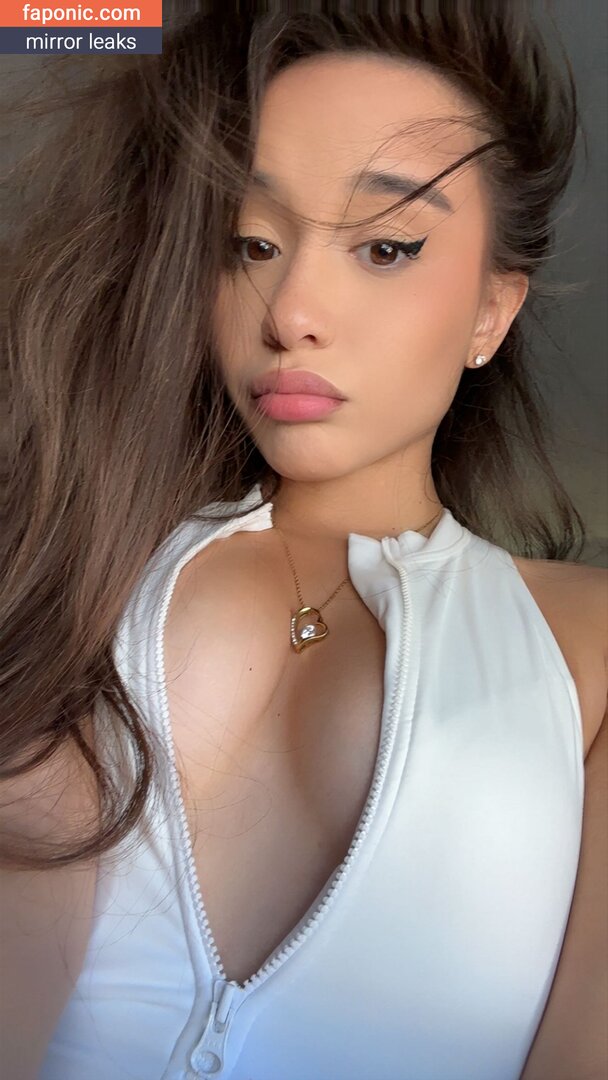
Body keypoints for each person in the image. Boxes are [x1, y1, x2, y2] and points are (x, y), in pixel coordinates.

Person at [1, 7, 606, 1080]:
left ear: (490, 311)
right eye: (251, 243)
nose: (291, 312)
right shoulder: (80, 569)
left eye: (385, 247)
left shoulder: (586, 652)